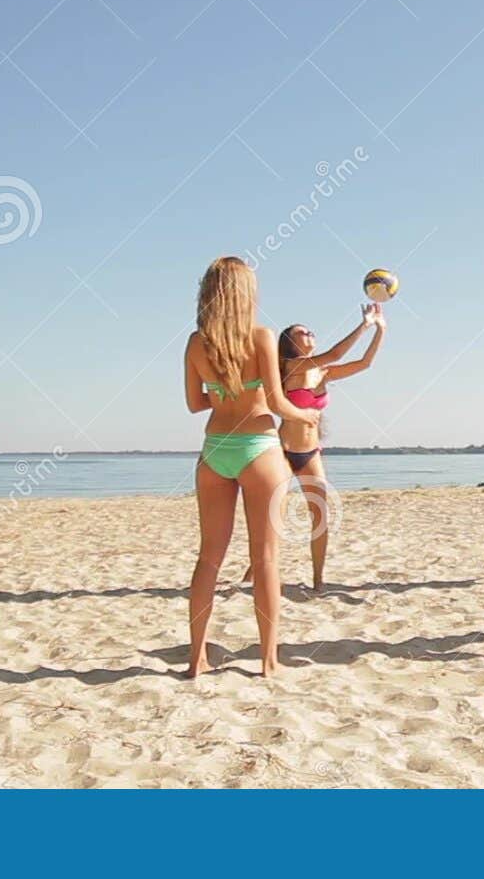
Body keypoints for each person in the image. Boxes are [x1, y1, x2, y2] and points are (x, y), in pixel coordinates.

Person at [182, 257, 320, 677]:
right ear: (246, 294)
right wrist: (305, 418)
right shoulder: (260, 337)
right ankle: (267, 660)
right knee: (265, 559)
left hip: (213, 449)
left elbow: (193, 403)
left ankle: (197, 660)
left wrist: (225, 393)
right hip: (258, 448)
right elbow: (278, 404)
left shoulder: (195, 342)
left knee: (209, 558)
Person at [242, 303, 386, 591]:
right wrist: (365, 323)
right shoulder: (289, 367)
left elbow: (364, 363)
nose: (309, 334)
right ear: (290, 344)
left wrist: (380, 329)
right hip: (281, 450)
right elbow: (335, 353)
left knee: (320, 514)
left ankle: (318, 580)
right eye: (302, 332)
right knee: (273, 516)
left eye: (310, 332)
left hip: (310, 452)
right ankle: (252, 572)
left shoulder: (323, 373)